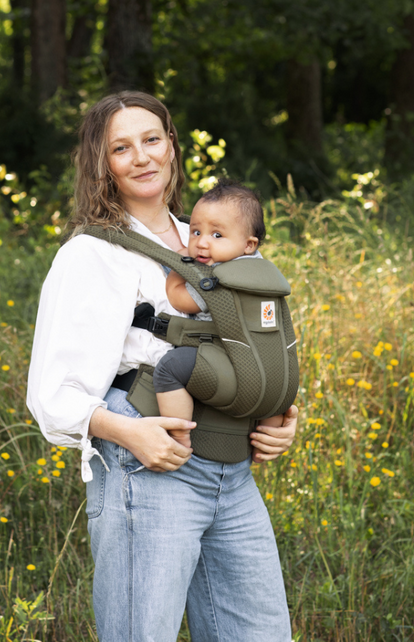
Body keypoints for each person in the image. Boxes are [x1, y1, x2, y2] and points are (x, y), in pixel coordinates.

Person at [26, 91, 299, 642]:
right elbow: (53, 392)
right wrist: (129, 434)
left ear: (171, 145)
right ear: (102, 164)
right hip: (151, 467)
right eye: (121, 148)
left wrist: (277, 415)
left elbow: (255, 340)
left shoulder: (211, 236)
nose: (141, 156)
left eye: (151, 139)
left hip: (232, 467)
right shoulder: (92, 254)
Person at [152, 181, 287, 449]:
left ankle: (179, 434)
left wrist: (179, 270)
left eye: (216, 236)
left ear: (249, 244)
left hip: (228, 358)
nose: (201, 243)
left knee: (169, 368)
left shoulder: (217, 277)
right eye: (196, 232)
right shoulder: (261, 269)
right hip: (269, 365)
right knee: (277, 389)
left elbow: (180, 300)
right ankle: (265, 440)